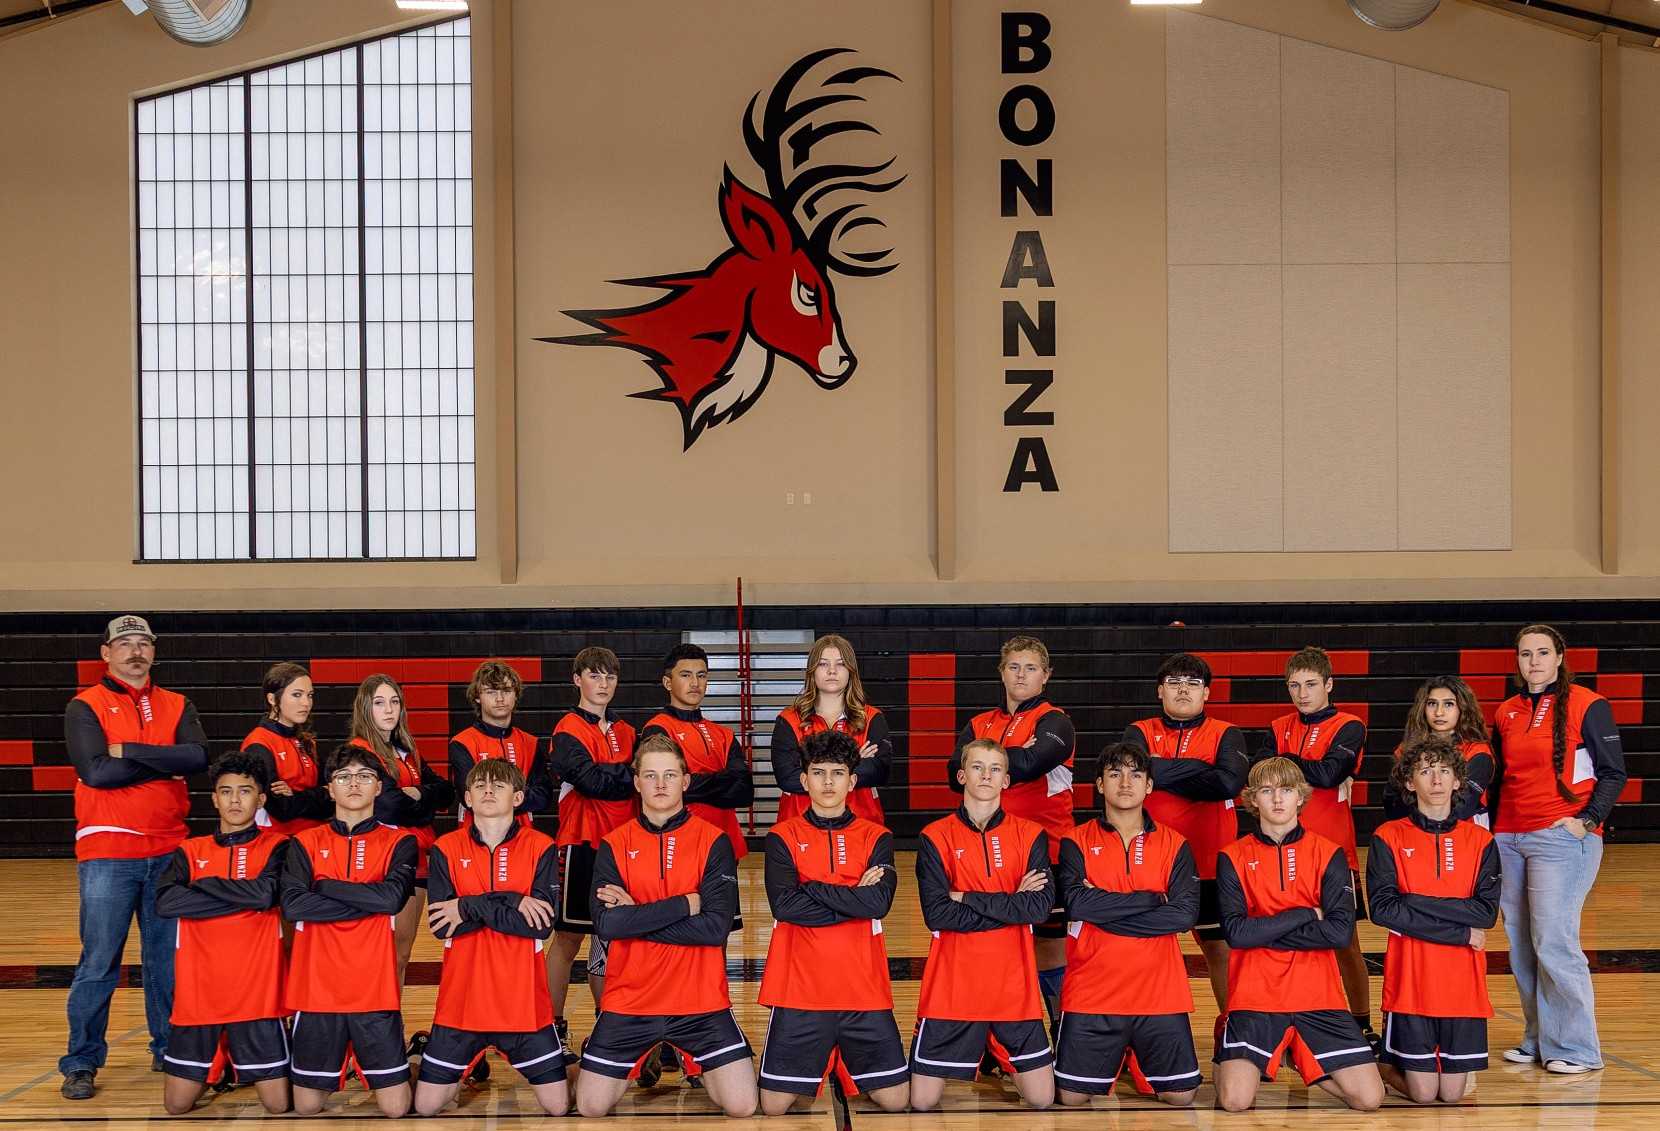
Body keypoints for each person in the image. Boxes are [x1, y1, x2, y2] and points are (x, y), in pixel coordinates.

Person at [60, 615, 210, 1101]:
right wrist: (165, 761)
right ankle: (81, 1061)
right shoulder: (85, 705)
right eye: (124, 643)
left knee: (166, 962)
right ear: (106, 653)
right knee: (99, 961)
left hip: (168, 849)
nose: (135, 651)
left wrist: (129, 751)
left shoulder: (177, 704)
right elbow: (97, 772)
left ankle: (170, 1052)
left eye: (143, 642)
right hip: (108, 851)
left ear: (154, 652)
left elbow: (198, 758)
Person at [574, 735, 757, 1119]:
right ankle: (615, 1056)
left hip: (700, 1002)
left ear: (685, 781)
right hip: (630, 1002)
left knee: (742, 1105)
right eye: (651, 775)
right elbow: (607, 925)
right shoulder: (614, 843)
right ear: (636, 782)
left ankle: (695, 1060)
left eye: (670, 775)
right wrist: (684, 904)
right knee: (591, 1107)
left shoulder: (714, 841)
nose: (660, 784)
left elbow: (714, 929)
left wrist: (635, 917)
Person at [1491, 623, 1627, 1074]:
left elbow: (1613, 773)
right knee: (1521, 944)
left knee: (1554, 940)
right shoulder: (1506, 711)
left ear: (1560, 657)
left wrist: (1586, 821)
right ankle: (1539, 1038)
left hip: (1560, 837)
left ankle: (1577, 1049)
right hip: (1509, 837)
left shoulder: (1588, 704)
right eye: (1525, 653)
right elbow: (1499, 779)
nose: (1534, 661)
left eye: (1543, 652)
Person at [1213, 757, 1382, 1113]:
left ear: (1301, 797)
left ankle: (1298, 1057)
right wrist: (1305, 914)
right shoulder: (1232, 856)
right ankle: (1237, 1049)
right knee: (1234, 1101)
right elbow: (1236, 934)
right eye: (1267, 791)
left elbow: (1339, 933)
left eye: (1287, 790)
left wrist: (1262, 930)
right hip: (1256, 995)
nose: (1277, 799)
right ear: (1252, 799)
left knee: (1369, 1099)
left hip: (1318, 995)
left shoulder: (1329, 853)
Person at [758, 730, 908, 1114]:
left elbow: (878, 903)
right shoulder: (781, 836)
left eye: (837, 773)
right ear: (804, 780)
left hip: (862, 989)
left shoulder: (877, 837)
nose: (828, 782)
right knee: (773, 1106)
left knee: (896, 1100)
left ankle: (843, 1067)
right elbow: (785, 906)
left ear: (852, 781)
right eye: (819, 772)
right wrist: (854, 896)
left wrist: (811, 888)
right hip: (799, 990)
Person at [415, 759, 569, 1117]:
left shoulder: (542, 846)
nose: (488, 790)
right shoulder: (445, 848)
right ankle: (419, 1058)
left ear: (517, 798)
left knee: (558, 1106)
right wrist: (513, 901)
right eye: (480, 785)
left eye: (498, 785)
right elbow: (443, 926)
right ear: (467, 797)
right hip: (461, 1004)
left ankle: (581, 1065)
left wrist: (466, 907)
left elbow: (539, 927)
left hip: (523, 1007)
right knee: (425, 1107)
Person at [911, 738, 1054, 1111]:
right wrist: (1011, 904)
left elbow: (1038, 908)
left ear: (1006, 780)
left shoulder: (1031, 834)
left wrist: (966, 897)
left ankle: (998, 1057)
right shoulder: (934, 836)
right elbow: (937, 914)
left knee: (1042, 1099)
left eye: (995, 769)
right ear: (962, 776)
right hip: (953, 986)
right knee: (922, 1101)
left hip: (1013, 987)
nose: (986, 775)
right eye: (977, 767)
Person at [1055, 743, 1200, 1107]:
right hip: (1093, 991)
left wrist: (1103, 911)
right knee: (1071, 1097)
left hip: (1159, 992)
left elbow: (1184, 915)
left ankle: (1134, 1058)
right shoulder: (1075, 841)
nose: (1125, 783)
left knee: (1181, 1096)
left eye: (1136, 775)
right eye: (1115, 774)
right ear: (1100, 784)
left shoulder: (1175, 844)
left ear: (1149, 785)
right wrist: (1152, 899)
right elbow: (1077, 903)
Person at [945, 635, 1076, 1034]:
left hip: (1047, 852)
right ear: (1001, 672)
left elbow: (1034, 762)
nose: (1021, 675)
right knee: (991, 942)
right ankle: (994, 1037)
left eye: (1031, 668)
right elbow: (952, 774)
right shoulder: (979, 723)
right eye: (1014, 667)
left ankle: (1063, 1033)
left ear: (1046, 676)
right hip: (984, 853)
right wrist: (1015, 757)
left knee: (1049, 948)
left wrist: (981, 761)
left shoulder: (1055, 721)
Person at [280, 744, 418, 1118]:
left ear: (378, 787)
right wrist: (367, 899)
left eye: (364, 776)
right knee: (307, 1107)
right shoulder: (304, 842)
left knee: (396, 1109)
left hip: (373, 989)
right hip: (316, 990)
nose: (354, 783)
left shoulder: (400, 841)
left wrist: (323, 886)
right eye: (344, 777)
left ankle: (419, 1061)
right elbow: (293, 905)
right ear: (330, 788)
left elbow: (391, 899)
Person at [154, 753, 292, 1115]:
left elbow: (266, 894)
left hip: (257, 995)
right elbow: (167, 902)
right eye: (226, 791)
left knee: (278, 1106)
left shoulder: (278, 846)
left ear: (261, 799)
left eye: (245, 791)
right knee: (176, 1106)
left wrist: (205, 884)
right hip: (199, 994)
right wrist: (240, 897)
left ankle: (232, 1063)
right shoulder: (189, 850)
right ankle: (224, 1065)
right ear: (214, 799)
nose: (234, 800)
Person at [1367, 737, 1501, 1103]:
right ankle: (1377, 1068)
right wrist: (1460, 934)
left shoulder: (1481, 840)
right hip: (1410, 981)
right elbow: (1384, 909)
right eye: (1425, 771)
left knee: (1452, 1095)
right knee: (1424, 1094)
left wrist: (1413, 899)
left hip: (1462, 986)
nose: (1436, 779)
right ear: (1410, 782)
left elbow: (1485, 913)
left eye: (1444, 771)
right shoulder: (1388, 836)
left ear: (1458, 781)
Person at [1256, 646, 1374, 1045]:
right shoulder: (1278, 725)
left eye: (1310, 684)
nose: (1302, 693)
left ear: (1329, 684)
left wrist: (1283, 762)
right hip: (1280, 851)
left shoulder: (1349, 726)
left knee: (1345, 942)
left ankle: (1361, 1023)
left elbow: (1329, 773)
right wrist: (1304, 766)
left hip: (1333, 853)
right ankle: (1289, 1023)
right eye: (1294, 685)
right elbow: (1259, 773)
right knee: (1283, 940)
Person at [1120, 652, 1246, 1016]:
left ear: (1206, 693)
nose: (1183, 690)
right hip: (1149, 863)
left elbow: (1228, 783)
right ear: (1160, 690)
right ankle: (1142, 1029)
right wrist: (1200, 770)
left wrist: (1159, 772)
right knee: (1143, 948)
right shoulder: (1138, 731)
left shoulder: (1226, 733)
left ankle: (1232, 1029)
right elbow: (1133, 775)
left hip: (1210, 863)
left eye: (1192, 683)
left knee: (1220, 949)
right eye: (1174, 683)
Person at [547, 646, 638, 1031]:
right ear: (577, 679)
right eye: (594, 675)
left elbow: (628, 779)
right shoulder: (567, 729)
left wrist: (610, 774)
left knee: (611, 939)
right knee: (568, 939)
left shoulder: (628, 731)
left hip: (623, 846)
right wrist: (625, 774)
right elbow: (591, 782)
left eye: (610, 676)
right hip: (580, 843)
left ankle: (609, 1028)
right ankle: (551, 1026)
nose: (603, 684)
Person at [346, 673, 455, 984]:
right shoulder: (360, 752)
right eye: (379, 703)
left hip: (417, 856)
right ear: (365, 708)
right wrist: (422, 801)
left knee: (402, 953)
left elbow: (446, 791)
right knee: (385, 952)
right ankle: (375, 1014)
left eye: (394, 702)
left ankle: (393, 1013)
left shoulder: (407, 751)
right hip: (384, 859)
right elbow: (389, 806)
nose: (389, 710)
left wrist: (418, 793)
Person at [770, 634, 892, 824]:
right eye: (823, 664)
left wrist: (811, 769)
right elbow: (787, 778)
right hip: (799, 826)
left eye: (841, 664)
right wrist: (854, 763)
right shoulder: (788, 720)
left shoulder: (872, 718)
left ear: (851, 670)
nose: (832, 671)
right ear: (812, 671)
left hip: (861, 826)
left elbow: (879, 772)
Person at [448, 659, 552, 828]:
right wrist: (516, 795)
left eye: (506, 690)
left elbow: (543, 798)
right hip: (475, 837)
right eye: (491, 692)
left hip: (522, 836)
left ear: (516, 694)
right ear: (477, 697)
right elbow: (471, 798)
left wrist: (493, 796)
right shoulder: (462, 743)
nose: (500, 698)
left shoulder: (530, 743)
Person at [1381, 677, 1494, 825]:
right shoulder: (1406, 748)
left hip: (1465, 833)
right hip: (1412, 833)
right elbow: (1392, 803)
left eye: (1448, 704)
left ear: (1463, 708)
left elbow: (1462, 808)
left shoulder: (1477, 752)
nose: (1439, 712)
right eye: (1432, 703)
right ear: (1423, 708)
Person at [240, 662, 329, 836]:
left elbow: (331, 801)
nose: (306, 703)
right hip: (277, 841)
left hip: (314, 839)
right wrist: (321, 794)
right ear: (272, 699)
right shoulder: (258, 744)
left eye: (310, 695)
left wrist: (295, 795)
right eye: (297, 695)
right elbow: (281, 809)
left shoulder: (307, 742)